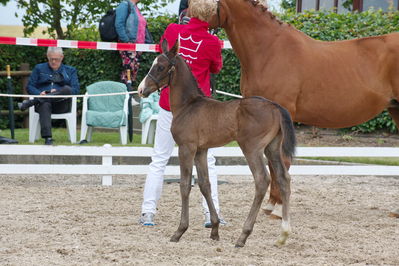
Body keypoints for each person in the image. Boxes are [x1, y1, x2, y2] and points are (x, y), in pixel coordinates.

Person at [139, 0, 224, 227]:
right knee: (209, 162)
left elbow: (162, 57)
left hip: (171, 106)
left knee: (159, 158)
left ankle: (148, 211)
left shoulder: (172, 30)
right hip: (200, 112)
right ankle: (210, 213)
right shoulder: (214, 42)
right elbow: (216, 68)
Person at [20, 47, 79, 145]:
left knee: (67, 89)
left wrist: (58, 91)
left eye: (56, 59)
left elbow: (75, 90)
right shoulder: (39, 68)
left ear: (62, 57)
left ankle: (32, 102)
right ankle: (48, 138)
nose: (54, 61)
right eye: (51, 59)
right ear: (47, 57)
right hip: (43, 103)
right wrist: (39, 94)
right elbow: (29, 86)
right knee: (45, 103)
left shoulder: (70, 70)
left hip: (61, 104)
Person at [115, 0, 153, 84]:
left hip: (138, 46)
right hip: (129, 45)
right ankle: (126, 93)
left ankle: (128, 92)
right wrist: (126, 41)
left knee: (133, 71)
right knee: (128, 70)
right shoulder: (124, 5)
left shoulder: (135, 8)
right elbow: (119, 24)